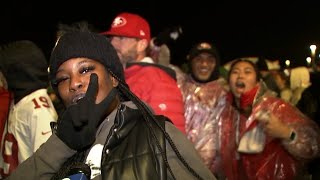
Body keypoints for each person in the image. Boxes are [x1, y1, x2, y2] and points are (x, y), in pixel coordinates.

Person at [6, 31, 216, 180]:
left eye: (86, 69)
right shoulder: (60, 143)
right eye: (62, 78)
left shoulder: (158, 136)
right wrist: (62, 144)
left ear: (113, 78)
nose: (74, 83)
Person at [222, 59, 320, 179]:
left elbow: (313, 146)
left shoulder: (275, 107)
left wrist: (287, 133)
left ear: (257, 82)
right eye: (235, 72)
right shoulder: (226, 113)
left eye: (247, 72)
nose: (240, 76)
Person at [101, 12, 186, 133]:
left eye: (121, 38)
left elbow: (170, 140)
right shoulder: (121, 76)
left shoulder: (157, 80)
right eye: (112, 37)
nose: (113, 43)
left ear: (141, 45)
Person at [171, 41, 235, 178]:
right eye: (199, 59)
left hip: (209, 172)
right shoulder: (179, 83)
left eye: (210, 60)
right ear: (190, 62)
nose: (204, 64)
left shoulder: (225, 94)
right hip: (177, 165)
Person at [0, 40, 58, 177]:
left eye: (3, 70)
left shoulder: (38, 108)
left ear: (17, 71)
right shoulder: (19, 100)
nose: (1, 74)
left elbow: (48, 164)